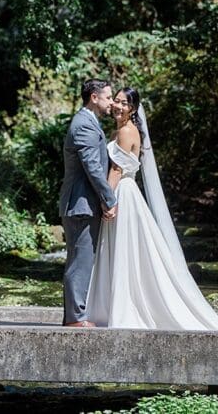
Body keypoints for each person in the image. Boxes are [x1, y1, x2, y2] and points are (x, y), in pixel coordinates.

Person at [85, 87, 218, 333]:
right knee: (126, 249)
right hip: (127, 192)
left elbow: (117, 170)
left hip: (122, 193)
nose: (118, 106)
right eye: (116, 101)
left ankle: (124, 307)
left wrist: (106, 200)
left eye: (124, 103)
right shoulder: (126, 130)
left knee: (124, 249)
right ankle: (120, 304)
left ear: (133, 108)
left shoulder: (125, 131)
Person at [58, 79, 119, 328]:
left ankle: (74, 315)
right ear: (94, 97)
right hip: (80, 203)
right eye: (108, 97)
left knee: (81, 258)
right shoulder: (84, 124)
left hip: (82, 203)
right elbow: (92, 167)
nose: (111, 102)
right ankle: (76, 318)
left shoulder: (88, 122)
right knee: (80, 261)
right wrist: (109, 199)